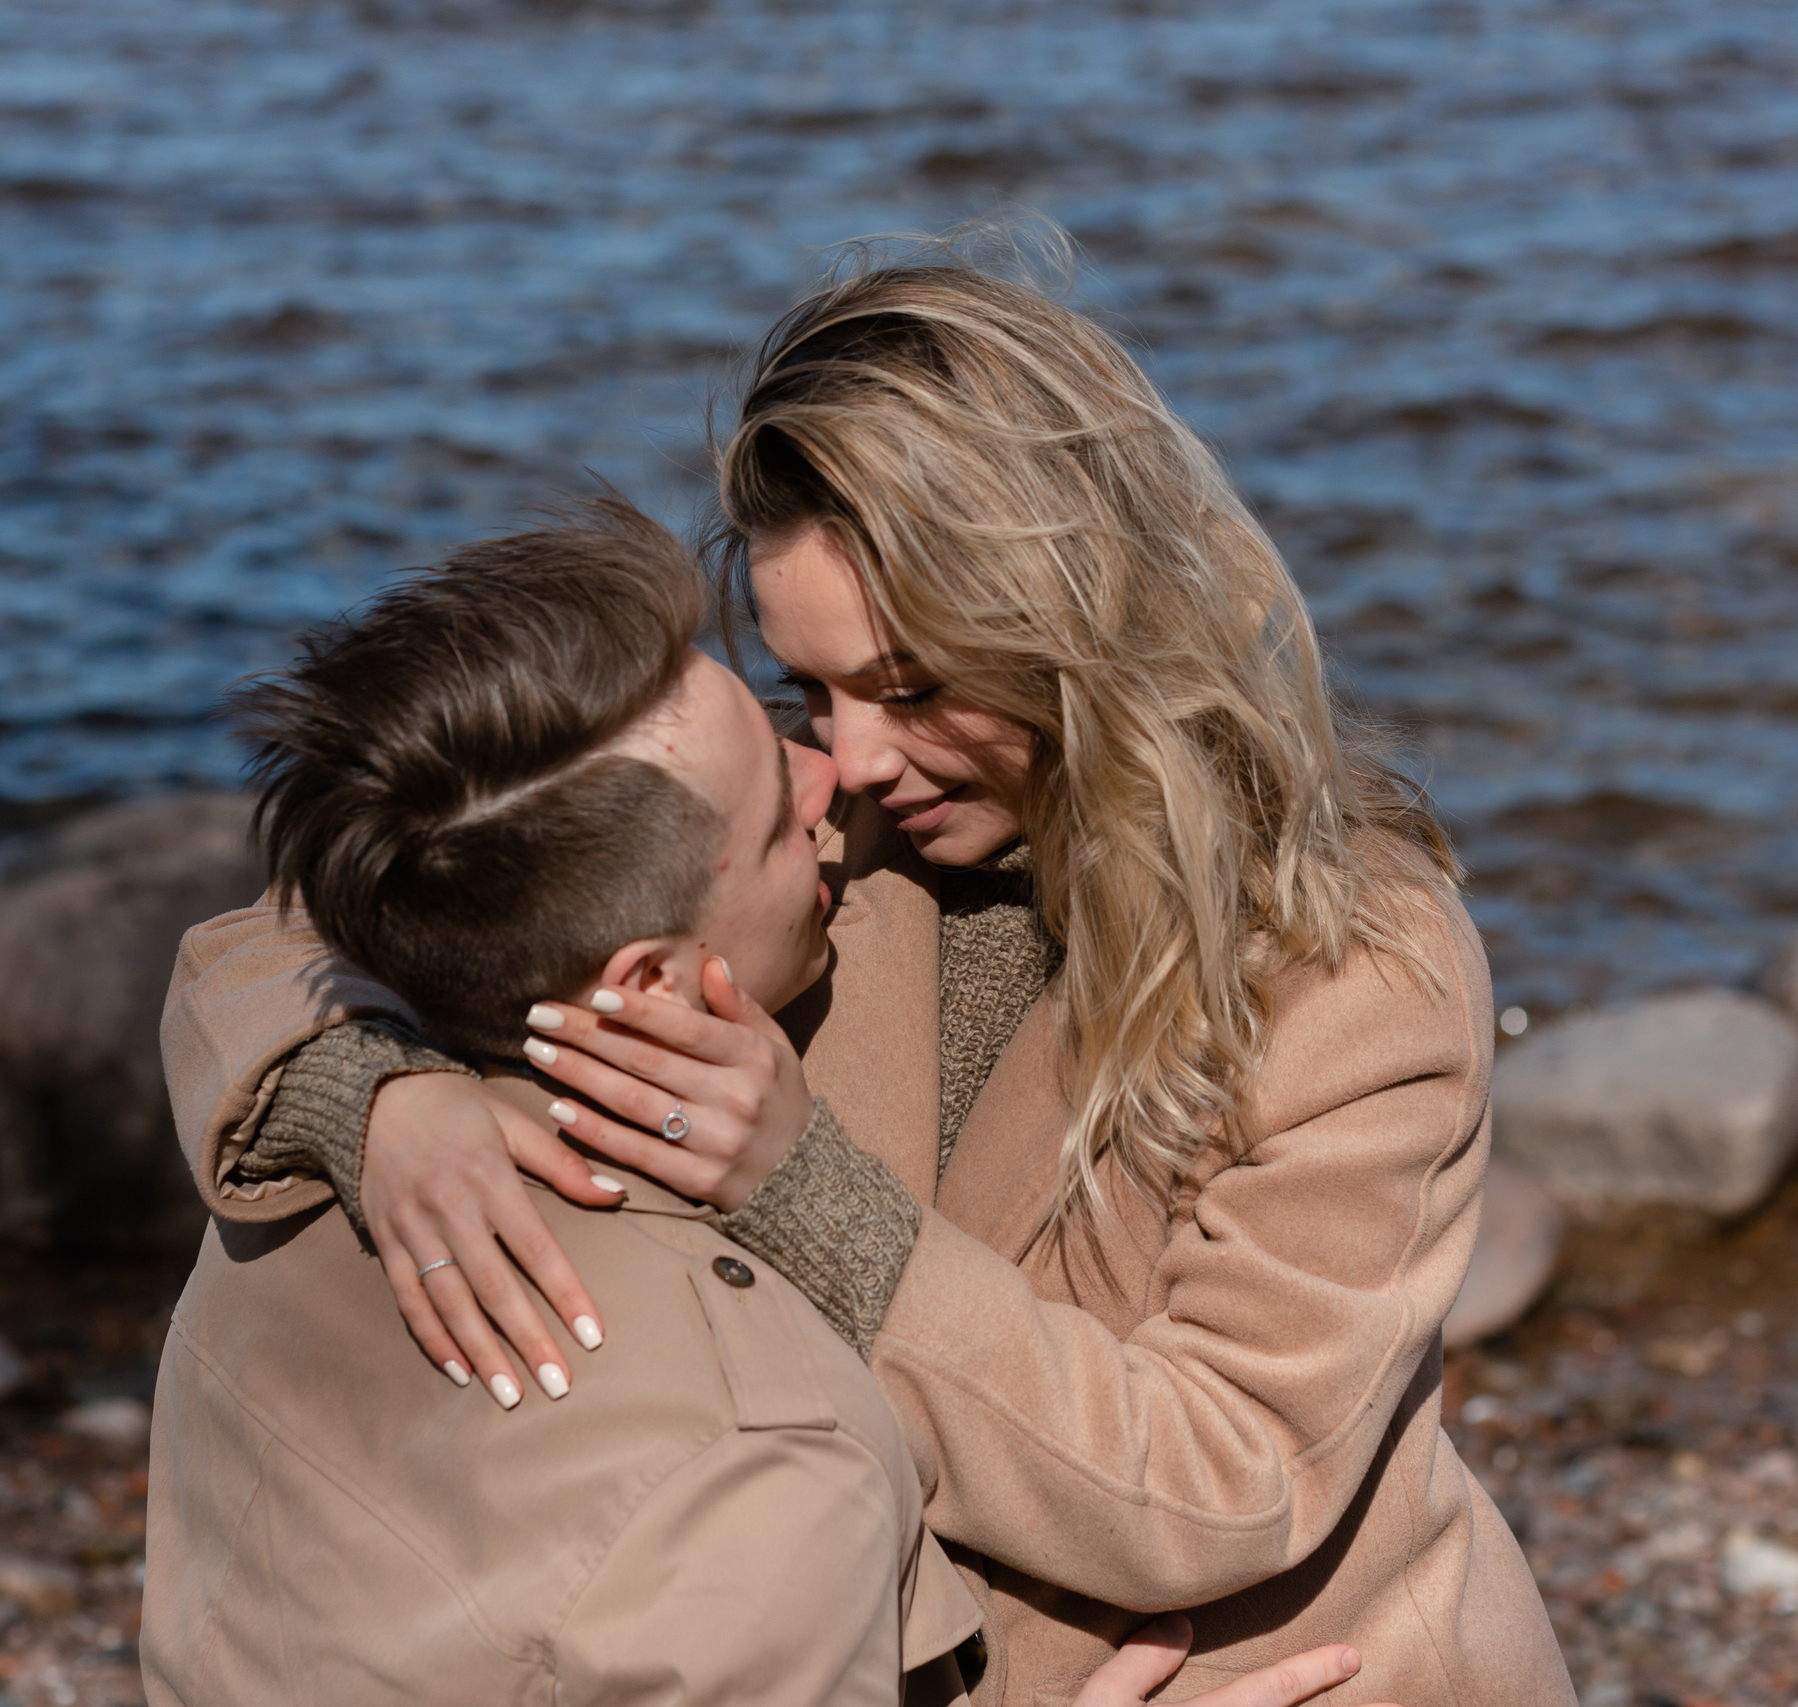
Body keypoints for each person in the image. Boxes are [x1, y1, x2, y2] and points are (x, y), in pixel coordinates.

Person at [159, 246, 1575, 1704]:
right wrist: (374, 1095)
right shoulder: (812, 819)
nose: (850, 758)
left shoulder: (1349, 961)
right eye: (805, 686)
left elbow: (1233, 1475)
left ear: (1079, 621)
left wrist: (805, 1191)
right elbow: (321, 911)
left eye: (910, 688)